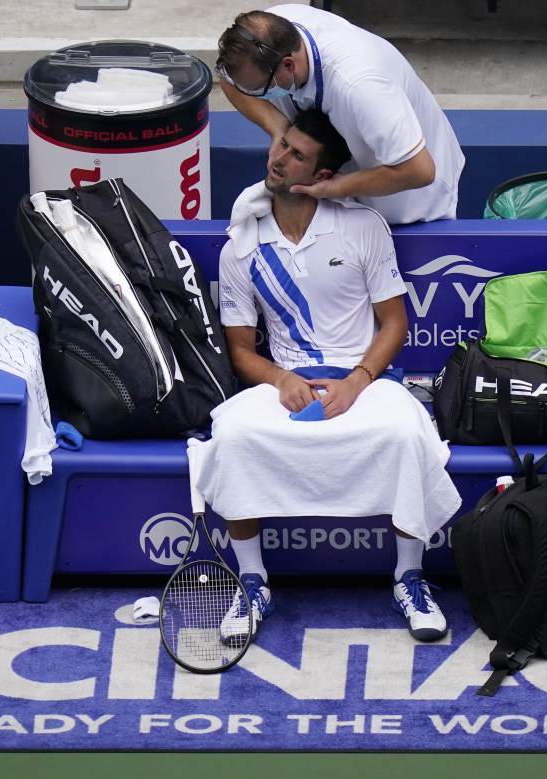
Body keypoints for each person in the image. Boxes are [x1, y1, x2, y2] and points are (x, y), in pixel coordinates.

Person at [187, 109, 461, 644]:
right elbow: (240, 350)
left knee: (406, 434)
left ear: (323, 175)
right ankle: (252, 581)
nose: (279, 158)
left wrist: (357, 381)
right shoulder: (241, 244)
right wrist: (281, 380)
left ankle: (409, 576)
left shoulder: (362, 227)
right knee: (236, 436)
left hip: (363, 382)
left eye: (297, 155)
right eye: (281, 145)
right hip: (285, 382)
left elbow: (394, 324)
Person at [215, 5, 464, 225]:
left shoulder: (362, 88)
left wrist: (337, 187)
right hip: (344, 196)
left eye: (261, 89)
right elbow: (228, 80)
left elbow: (419, 171)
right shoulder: (268, 30)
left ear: (289, 65)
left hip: (413, 202)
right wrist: (278, 129)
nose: (255, 95)